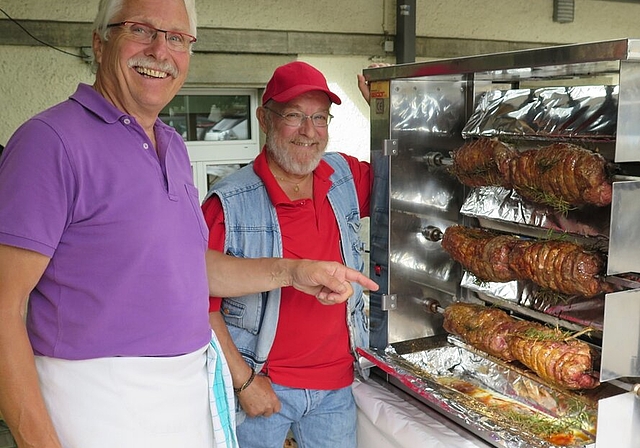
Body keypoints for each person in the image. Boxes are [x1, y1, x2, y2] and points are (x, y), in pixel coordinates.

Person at [0, 1, 377, 447]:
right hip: (94, 404)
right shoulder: (49, 142)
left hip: (183, 398)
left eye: (177, 38)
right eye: (141, 30)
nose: (161, 51)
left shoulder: (171, 145)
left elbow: (192, 268)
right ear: (100, 44)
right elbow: (5, 307)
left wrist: (294, 272)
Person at [202, 61, 373, 448]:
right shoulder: (227, 203)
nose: (309, 132)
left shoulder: (343, 176)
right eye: (295, 116)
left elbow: (409, 172)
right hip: (263, 386)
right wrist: (243, 381)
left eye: (320, 118)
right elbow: (198, 304)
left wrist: (382, 108)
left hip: (338, 389)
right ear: (265, 119)